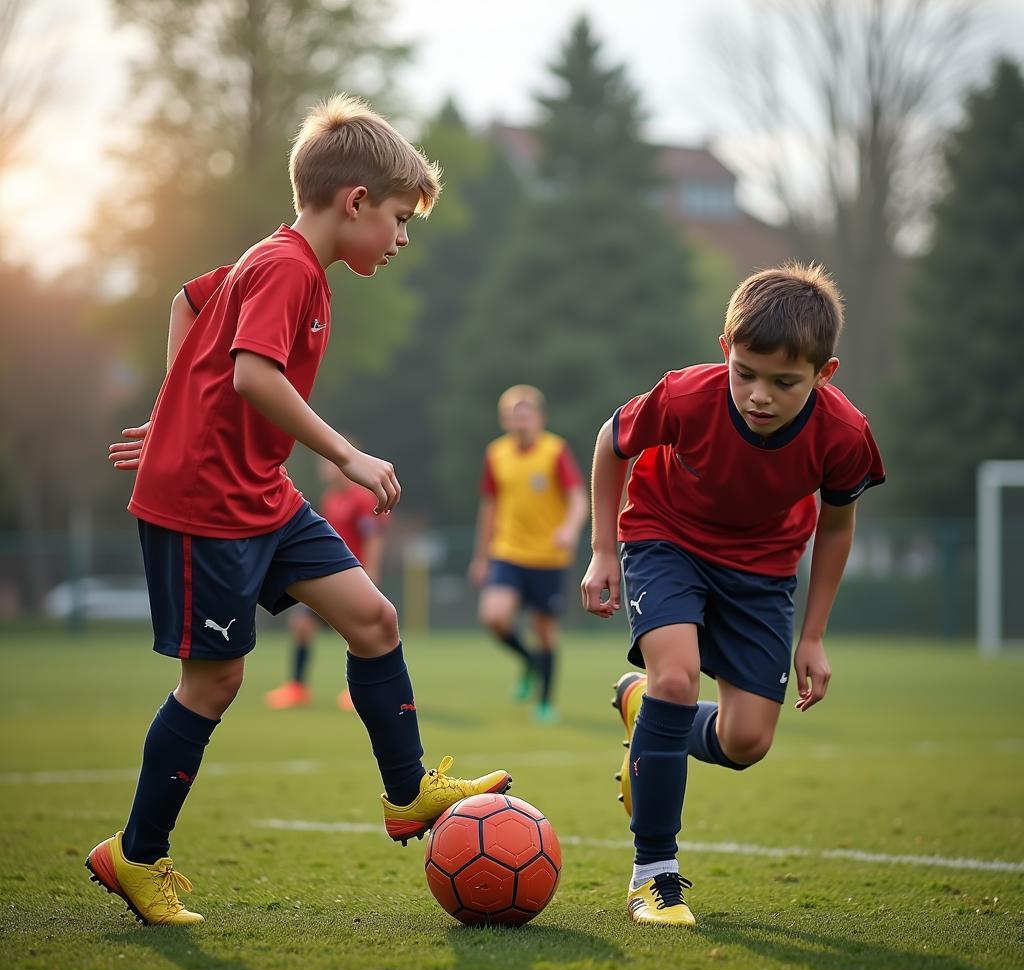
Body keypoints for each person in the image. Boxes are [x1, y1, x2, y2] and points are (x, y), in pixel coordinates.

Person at [85, 94, 511, 927]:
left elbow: (187, 300)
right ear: (354, 201)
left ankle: (407, 794)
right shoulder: (285, 267)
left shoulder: (287, 265)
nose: (400, 238)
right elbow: (251, 375)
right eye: (396, 219)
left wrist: (176, 403)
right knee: (214, 684)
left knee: (374, 619)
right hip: (203, 503)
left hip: (260, 494)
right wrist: (345, 455)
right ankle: (135, 857)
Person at [581, 263, 884, 927]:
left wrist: (813, 634)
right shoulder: (688, 395)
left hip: (764, 571)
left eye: (784, 382)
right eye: (745, 372)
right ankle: (654, 876)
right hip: (667, 538)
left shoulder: (844, 434)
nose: (759, 396)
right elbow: (613, 441)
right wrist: (604, 550)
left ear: (823, 375)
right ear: (726, 350)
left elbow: (837, 524)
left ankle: (645, 713)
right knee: (677, 676)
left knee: (747, 741)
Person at [468, 385, 588, 724]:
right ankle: (529, 662)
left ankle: (546, 701)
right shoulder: (496, 454)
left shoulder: (555, 451)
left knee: (545, 631)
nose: (521, 420)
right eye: (514, 414)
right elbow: (489, 507)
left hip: (548, 557)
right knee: (494, 617)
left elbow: (579, 499)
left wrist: (569, 527)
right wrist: (481, 556)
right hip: (508, 552)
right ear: (505, 419)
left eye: (527, 413)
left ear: (540, 417)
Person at [265, 455, 385, 711]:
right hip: (329, 576)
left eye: (329, 463)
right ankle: (297, 687)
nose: (325, 469)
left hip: (353, 577)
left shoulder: (360, 498)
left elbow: (373, 536)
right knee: (302, 624)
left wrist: (371, 572)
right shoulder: (332, 498)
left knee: (360, 634)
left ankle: (366, 691)